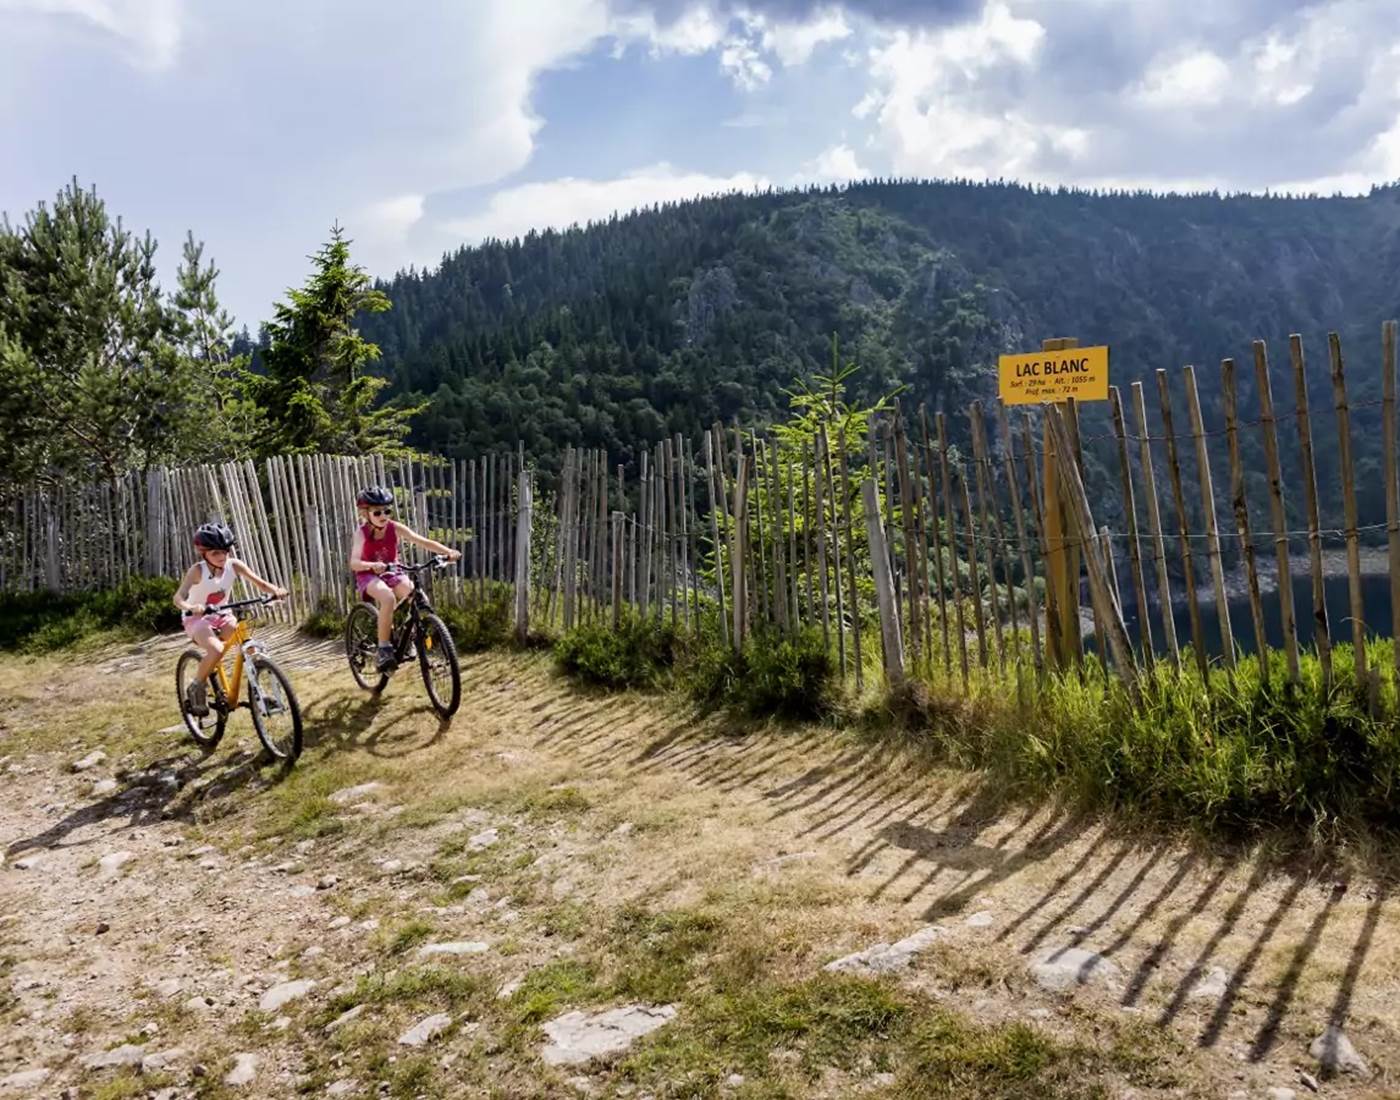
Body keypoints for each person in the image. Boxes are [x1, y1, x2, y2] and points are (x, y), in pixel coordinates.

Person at [174, 523, 289, 716]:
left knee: (249, 647)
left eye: (225, 551)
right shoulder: (197, 571)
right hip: (197, 620)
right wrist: (191, 608)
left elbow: (260, 583)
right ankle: (197, 686)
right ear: (203, 553)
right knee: (216, 649)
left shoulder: (234, 565)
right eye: (215, 553)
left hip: (222, 615)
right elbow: (178, 597)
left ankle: (260, 692)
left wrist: (275, 591)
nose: (221, 557)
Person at [350, 486, 460, 670]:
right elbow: (354, 562)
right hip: (368, 574)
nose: (383, 515)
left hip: (393, 570)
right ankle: (384, 648)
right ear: (365, 514)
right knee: (387, 598)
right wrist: (371, 565)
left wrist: (448, 552)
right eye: (377, 512)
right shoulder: (361, 534)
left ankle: (405, 637)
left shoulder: (395, 528)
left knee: (416, 596)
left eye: (387, 511)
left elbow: (422, 541)